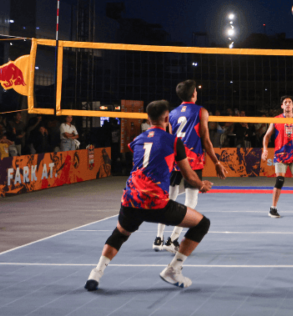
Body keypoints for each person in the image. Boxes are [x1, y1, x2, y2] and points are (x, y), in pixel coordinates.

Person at [85, 100, 213, 291]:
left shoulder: (138, 139)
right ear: (167, 118)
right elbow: (189, 176)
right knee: (202, 223)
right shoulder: (174, 141)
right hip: (155, 203)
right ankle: (173, 269)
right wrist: (201, 184)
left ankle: (95, 273)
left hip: (130, 199)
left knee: (120, 234)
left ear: (148, 118)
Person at [157, 80, 227, 253]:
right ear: (194, 93)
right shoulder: (200, 111)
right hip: (192, 160)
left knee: (169, 199)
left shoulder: (171, 113)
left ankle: (158, 238)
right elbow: (205, 139)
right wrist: (217, 162)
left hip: (174, 160)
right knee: (191, 201)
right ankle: (172, 240)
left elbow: (171, 138)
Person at [262, 95, 293, 218]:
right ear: (282, 106)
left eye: (290, 102)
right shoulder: (276, 119)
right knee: (279, 180)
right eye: (285, 102)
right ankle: (273, 209)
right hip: (280, 155)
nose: (288, 104)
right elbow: (266, 136)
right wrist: (265, 149)